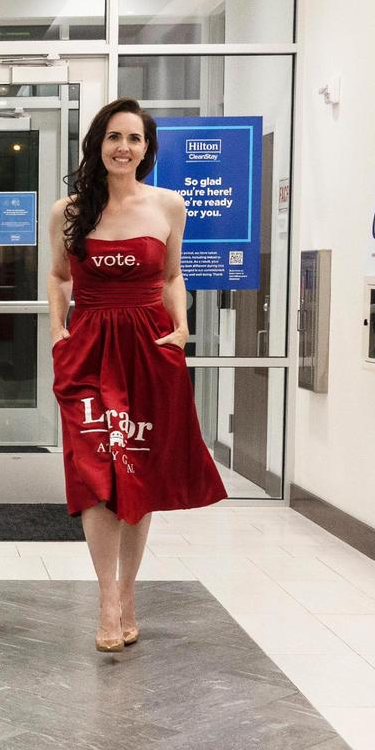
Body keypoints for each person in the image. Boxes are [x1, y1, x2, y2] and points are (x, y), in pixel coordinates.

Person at [48, 98, 227, 653]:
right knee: (95, 472)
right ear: (97, 144)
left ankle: (128, 593)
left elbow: (173, 276)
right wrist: (58, 330)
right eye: (113, 137)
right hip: (90, 348)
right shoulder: (69, 211)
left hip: (150, 347)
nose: (123, 147)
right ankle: (106, 599)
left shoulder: (169, 205)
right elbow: (57, 277)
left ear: (147, 149)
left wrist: (182, 326)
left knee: (138, 472)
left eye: (134, 138)